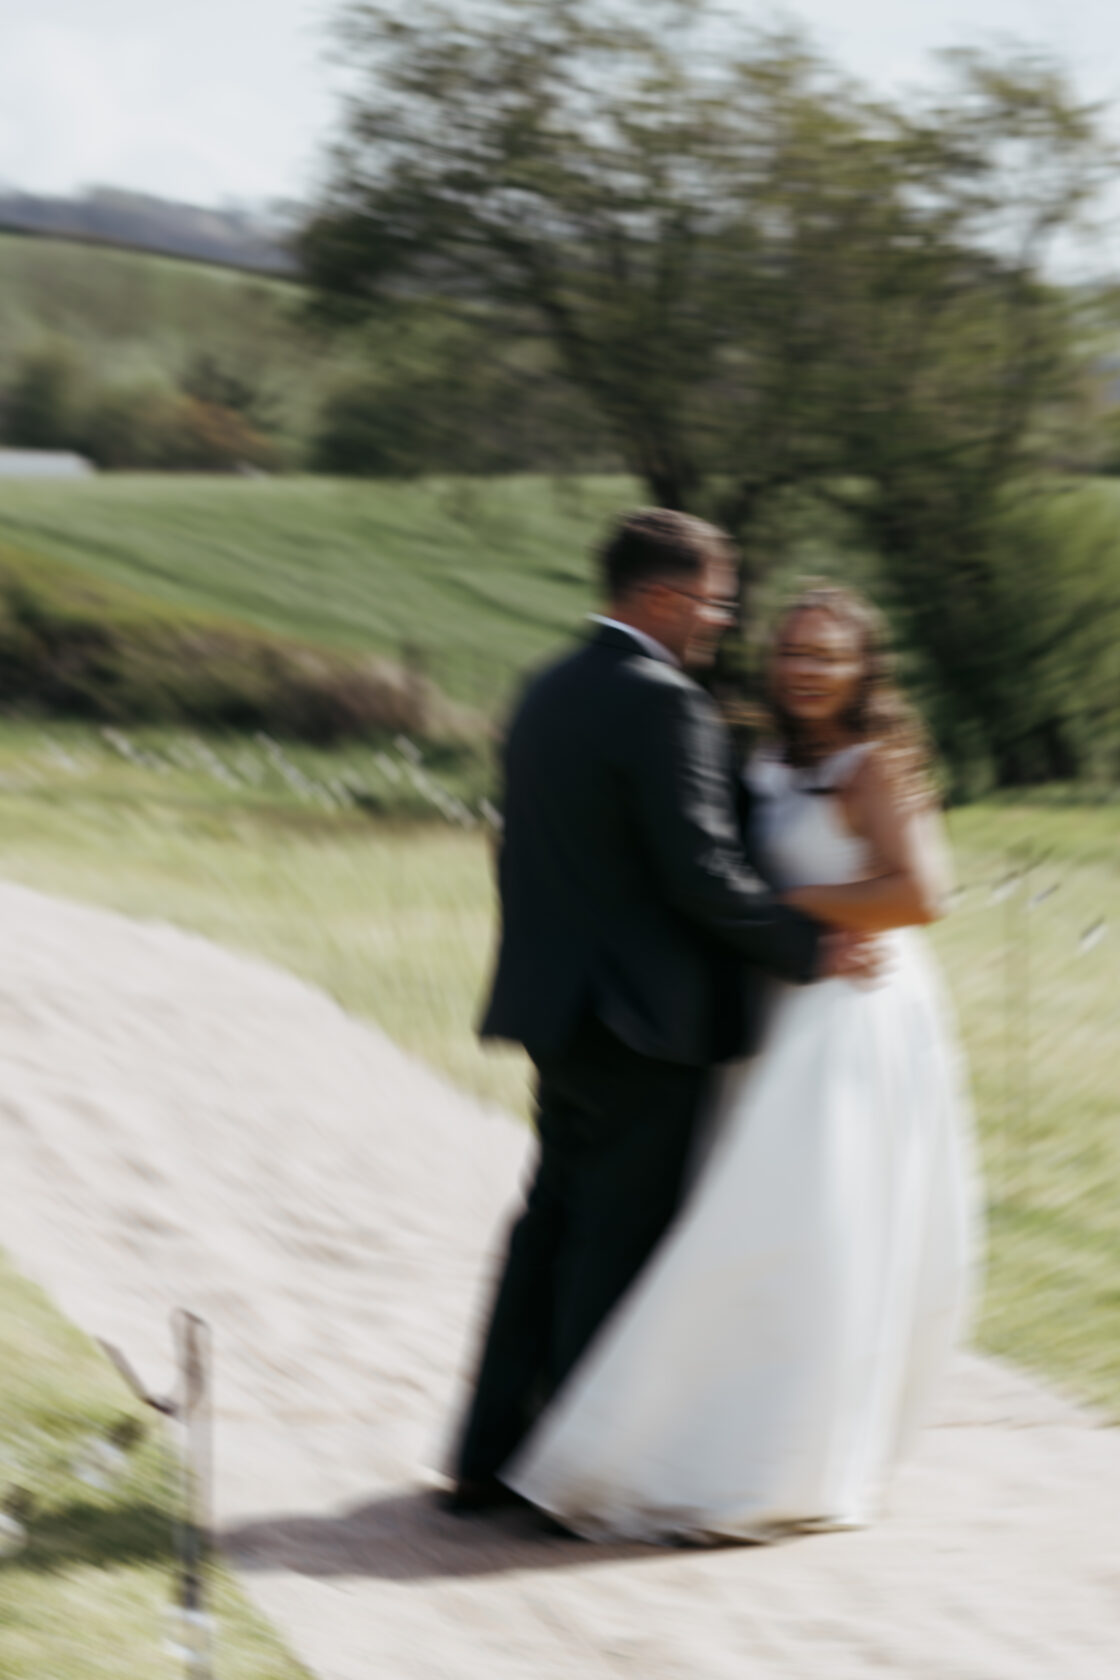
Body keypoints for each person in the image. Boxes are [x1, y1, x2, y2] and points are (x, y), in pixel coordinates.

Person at [504, 581, 980, 1542]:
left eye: (826, 656)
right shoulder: (752, 748)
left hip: (847, 1015)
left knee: (799, 1227)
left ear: (862, 669)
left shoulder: (875, 765)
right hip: (765, 1010)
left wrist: (786, 908)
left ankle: (776, 1456)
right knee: (727, 1216)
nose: (803, 671)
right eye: (792, 652)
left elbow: (921, 894)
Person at [441, 515, 876, 1512]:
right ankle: (567, 1478)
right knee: (614, 1243)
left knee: (549, 1226)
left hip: (560, 1011)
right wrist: (809, 948)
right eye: (715, 600)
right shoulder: (663, 705)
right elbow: (701, 873)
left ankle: (489, 1456)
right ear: (665, 600)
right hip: (645, 1020)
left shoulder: (546, 688)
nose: (722, 621)